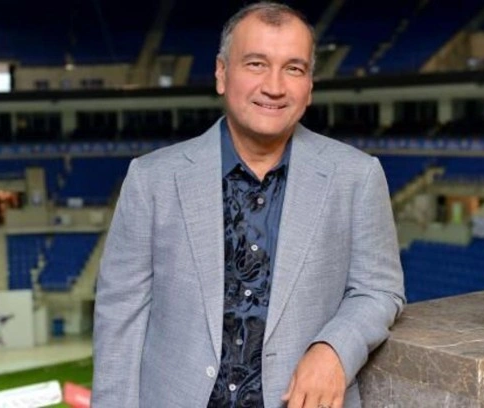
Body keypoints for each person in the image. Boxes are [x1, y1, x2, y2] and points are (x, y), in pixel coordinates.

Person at [91, 2, 405, 407]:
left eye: (294, 69)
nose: (274, 86)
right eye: (256, 64)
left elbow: (379, 290)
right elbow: (120, 317)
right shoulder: (151, 179)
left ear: (309, 86)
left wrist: (334, 348)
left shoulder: (357, 176)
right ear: (222, 74)